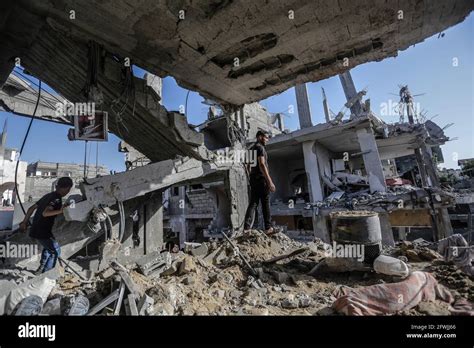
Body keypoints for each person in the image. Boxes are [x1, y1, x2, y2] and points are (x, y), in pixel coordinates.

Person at [19, 177, 74, 274]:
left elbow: (31, 208)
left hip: (37, 229)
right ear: (67, 188)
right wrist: (62, 210)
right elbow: (45, 213)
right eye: (68, 189)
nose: (68, 192)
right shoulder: (57, 198)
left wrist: (24, 222)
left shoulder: (48, 195)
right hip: (42, 230)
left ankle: (41, 269)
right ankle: (47, 274)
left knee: (48, 248)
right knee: (55, 251)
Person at [243, 130, 276, 235]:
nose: (267, 139)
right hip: (261, 179)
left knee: (253, 203)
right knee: (265, 203)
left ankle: (246, 228)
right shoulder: (260, 148)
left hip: (253, 179)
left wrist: (250, 176)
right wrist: (270, 181)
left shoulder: (251, 149)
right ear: (259, 137)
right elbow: (262, 164)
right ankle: (268, 228)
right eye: (266, 137)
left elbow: (246, 164)